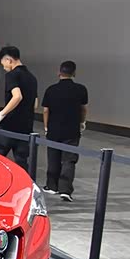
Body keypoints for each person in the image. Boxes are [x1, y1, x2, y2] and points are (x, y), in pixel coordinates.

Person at [42, 60, 89, 202]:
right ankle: (65, 190)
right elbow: (83, 109)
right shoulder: (81, 89)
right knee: (69, 160)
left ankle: (52, 186)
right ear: (74, 73)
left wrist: (46, 126)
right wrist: (82, 122)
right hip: (72, 130)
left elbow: (46, 110)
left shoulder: (51, 89)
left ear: (59, 73)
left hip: (54, 129)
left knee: (53, 157)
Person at [0, 46, 39, 170]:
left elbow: (17, 96)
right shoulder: (32, 78)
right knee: (21, 163)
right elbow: (35, 104)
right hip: (26, 127)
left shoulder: (12, 75)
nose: (4, 68)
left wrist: (1, 114)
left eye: (3, 64)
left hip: (9, 126)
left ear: (9, 60)